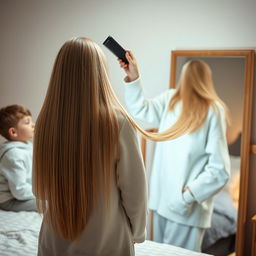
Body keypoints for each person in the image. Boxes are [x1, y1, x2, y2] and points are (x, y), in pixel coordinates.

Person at [33, 37, 147, 256]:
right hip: (107, 241)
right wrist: (138, 233)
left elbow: (39, 190)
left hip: (54, 242)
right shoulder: (118, 123)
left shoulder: (44, 122)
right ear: (100, 73)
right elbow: (135, 192)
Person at [118, 51, 230, 252]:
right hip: (161, 203)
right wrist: (134, 77)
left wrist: (188, 196)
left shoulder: (213, 110)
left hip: (186, 208)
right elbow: (140, 110)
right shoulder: (170, 100)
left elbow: (219, 169)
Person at [0, 104, 36, 211]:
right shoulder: (13, 155)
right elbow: (19, 190)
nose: (33, 125)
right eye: (27, 122)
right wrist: (42, 194)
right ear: (13, 132)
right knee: (51, 205)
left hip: (22, 193)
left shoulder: (27, 146)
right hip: (9, 200)